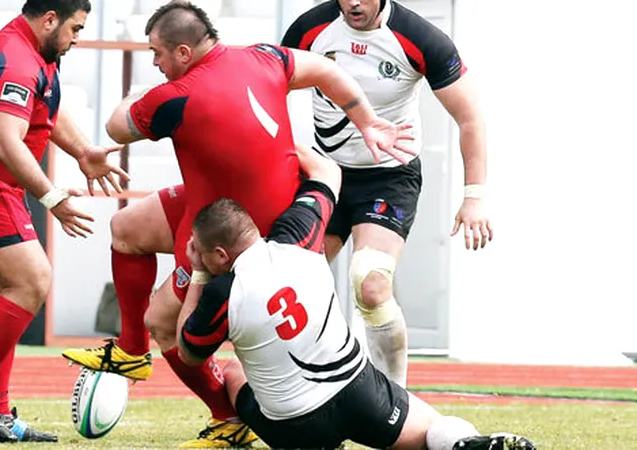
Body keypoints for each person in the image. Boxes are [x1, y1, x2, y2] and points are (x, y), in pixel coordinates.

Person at [61, 1, 415, 446]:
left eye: (158, 53)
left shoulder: (175, 96)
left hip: (239, 233)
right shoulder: (265, 56)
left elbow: (117, 127)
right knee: (127, 228)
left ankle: (227, 419)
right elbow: (329, 72)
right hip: (228, 207)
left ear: (184, 52)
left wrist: (142, 97)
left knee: (165, 323)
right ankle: (132, 352)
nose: (155, 62)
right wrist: (367, 122)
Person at [175, 176, 535, 450]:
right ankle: (464, 444)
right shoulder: (299, 236)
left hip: (293, 427)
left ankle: (236, 426)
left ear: (221, 255)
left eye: (203, 253)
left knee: (236, 370)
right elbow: (326, 171)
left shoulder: (222, 292)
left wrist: (200, 274)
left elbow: (188, 352)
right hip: (359, 394)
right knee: (430, 430)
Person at [0, 0, 127, 443]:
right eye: (75, 28)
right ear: (49, 19)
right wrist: (52, 197)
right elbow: (3, 139)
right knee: (32, 280)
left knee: (0, 298)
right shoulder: (16, 57)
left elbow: (45, 109)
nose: (77, 38)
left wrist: (83, 151)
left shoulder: (36, 54)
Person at [280, 0, 494, 388]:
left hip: (389, 177)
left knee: (370, 283)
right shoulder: (310, 29)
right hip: (326, 175)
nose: (354, 3)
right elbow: (271, 91)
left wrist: (474, 195)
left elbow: (470, 116)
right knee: (293, 280)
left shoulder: (421, 38)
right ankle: (306, 390)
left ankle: (395, 400)